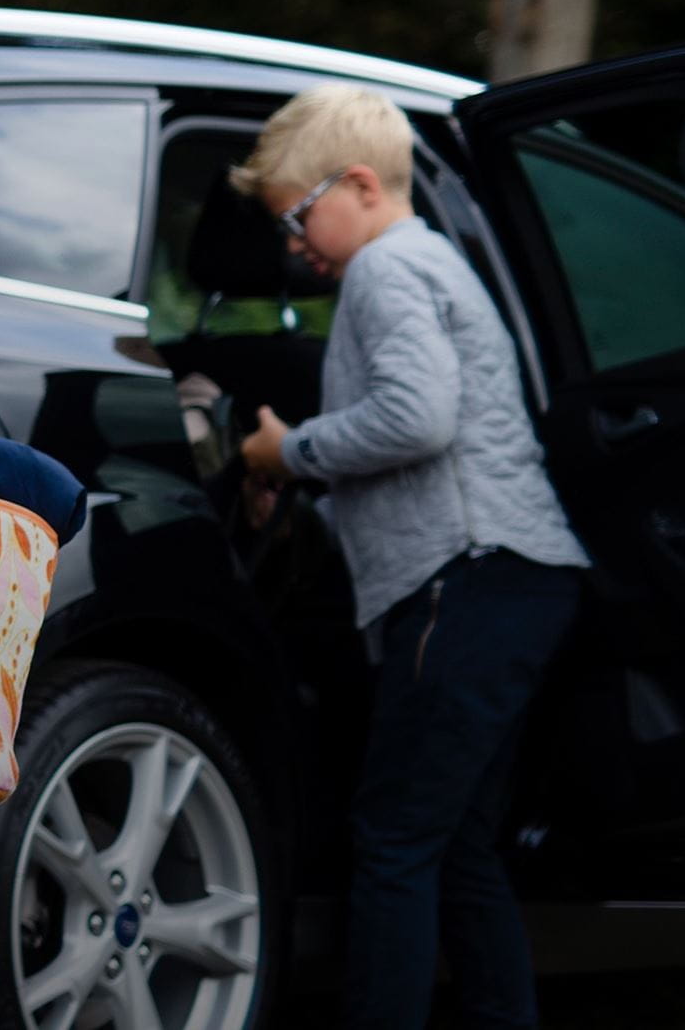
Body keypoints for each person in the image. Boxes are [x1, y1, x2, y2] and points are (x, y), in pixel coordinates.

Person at [232, 82, 590, 1030]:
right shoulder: (427, 261)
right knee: (458, 845)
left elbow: (416, 418)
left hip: (463, 575)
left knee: (392, 840)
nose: (294, 243)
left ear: (359, 185)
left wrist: (287, 451)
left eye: (300, 217)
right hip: (517, 578)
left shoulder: (387, 268)